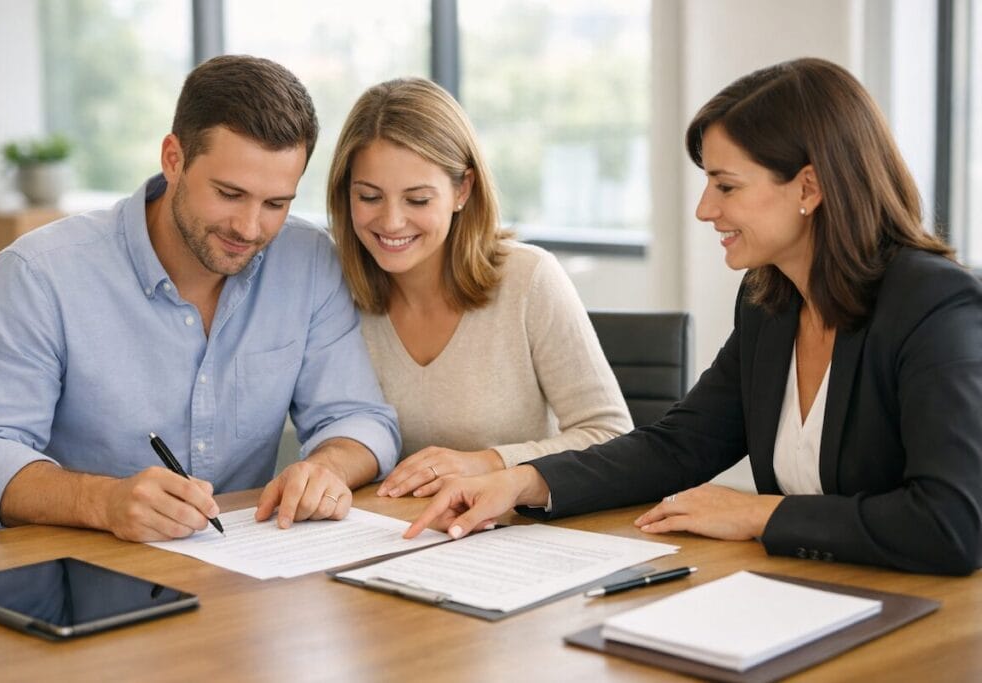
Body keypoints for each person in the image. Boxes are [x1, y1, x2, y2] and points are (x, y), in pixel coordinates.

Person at [406, 58, 982, 575]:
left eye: (726, 185)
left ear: (810, 185)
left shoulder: (932, 305)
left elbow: (951, 522)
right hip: (807, 595)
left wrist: (761, 514)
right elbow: (679, 446)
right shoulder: (770, 301)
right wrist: (523, 481)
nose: (707, 210)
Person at [0, 55, 400, 541]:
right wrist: (102, 501)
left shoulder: (309, 261)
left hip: (240, 571)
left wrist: (328, 467)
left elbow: (360, 419)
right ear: (173, 159)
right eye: (229, 193)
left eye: (276, 203)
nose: (250, 228)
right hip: (74, 568)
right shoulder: (38, 274)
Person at [326, 78, 632, 499]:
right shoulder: (334, 290)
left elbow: (612, 436)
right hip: (390, 535)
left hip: (512, 535)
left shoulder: (529, 279)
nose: (391, 222)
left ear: (462, 189)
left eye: (417, 200)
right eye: (369, 197)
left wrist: (486, 463)